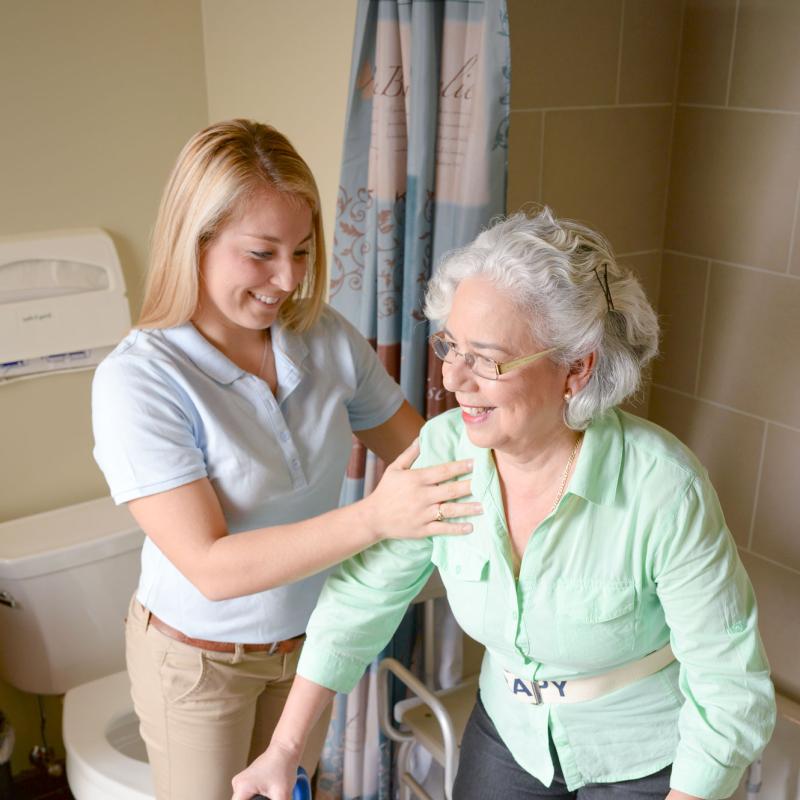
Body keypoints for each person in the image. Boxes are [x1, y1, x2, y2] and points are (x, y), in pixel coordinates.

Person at [231, 209, 776, 800]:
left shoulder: (663, 490)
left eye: (487, 359)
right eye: (451, 345)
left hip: (645, 758)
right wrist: (282, 751)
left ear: (576, 370)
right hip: (509, 738)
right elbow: (358, 603)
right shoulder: (444, 454)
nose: (452, 377)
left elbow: (729, 684)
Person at [91, 119, 481, 800]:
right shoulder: (140, 380)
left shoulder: (324, 339)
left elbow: (428, 454)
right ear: (198, 240)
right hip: (198, 663)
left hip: (308, 647)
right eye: (262, 253)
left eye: (301, 251)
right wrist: (376, 519)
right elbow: (211, 568)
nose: (287, 279)